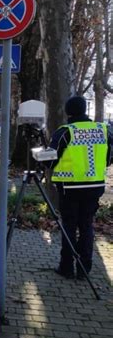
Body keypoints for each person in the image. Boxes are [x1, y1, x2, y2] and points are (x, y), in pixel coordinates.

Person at [49, 96, 112, 280]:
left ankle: (66, 267)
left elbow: (51, 159)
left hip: (70, 188)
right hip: (95, 187)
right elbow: (109, 156)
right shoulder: (104, 130)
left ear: (68, 112)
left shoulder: (65, 132)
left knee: (69, 226)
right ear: (85, 110)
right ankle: (84, 269)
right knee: (86, 226)